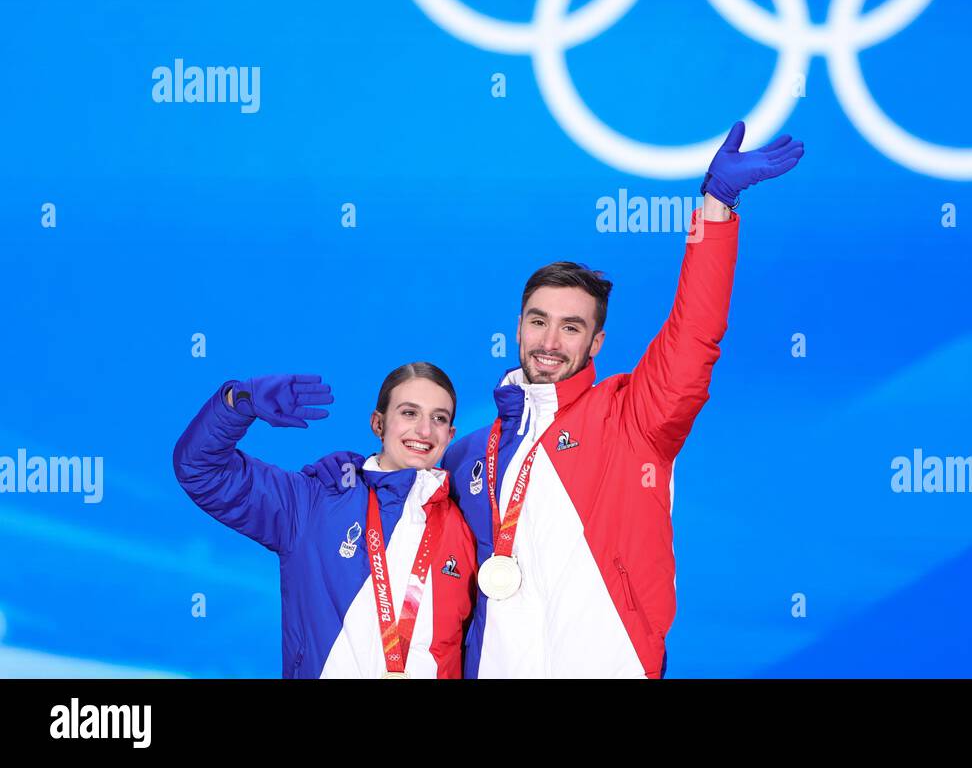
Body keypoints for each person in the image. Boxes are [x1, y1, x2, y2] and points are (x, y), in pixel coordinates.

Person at [311, 122, 803, 677]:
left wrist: (716, 209)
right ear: (518, 329)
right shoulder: (468, 453)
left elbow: (695, 336)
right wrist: (353, 478)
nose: (550, 342)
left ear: (596, 343)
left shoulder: (633, 417)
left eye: (571, 328)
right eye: (538, 322)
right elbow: (404, 530)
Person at [173, 363, 476, 678]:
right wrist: (239, 402)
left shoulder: (465, 528)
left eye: (438, 418)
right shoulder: (313, 503)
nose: (424, 431)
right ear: (379, 423)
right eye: (409, 413)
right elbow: (201, 470)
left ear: (450, 435)